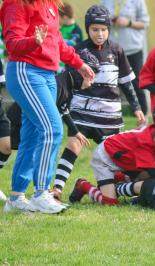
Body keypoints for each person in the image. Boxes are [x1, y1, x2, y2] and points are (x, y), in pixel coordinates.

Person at [0, 0, 95, 214]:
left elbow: (57, 42)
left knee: (32, 134)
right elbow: (12, 43)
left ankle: (16, 197)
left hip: (47, 75)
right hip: (26, 71)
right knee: (52, 129)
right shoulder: (16, 3)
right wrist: (33, 42)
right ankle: (41, 194)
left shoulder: (50, 4)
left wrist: (79, 64)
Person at [52, 5, 145, 200]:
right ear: (88, 29)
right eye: (95, 29)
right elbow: (69, 84)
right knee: (73, 146)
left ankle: (92, 187)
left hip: (109, 117)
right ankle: (57, 189)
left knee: (115, 158)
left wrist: (136, 107)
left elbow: (127, 83)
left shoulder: (117, 50)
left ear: (109, 30)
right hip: (82, 113)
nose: (99, 34)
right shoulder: (78, 51)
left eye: (103, 29)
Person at [68, 123, 155, 205]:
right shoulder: (145, 144)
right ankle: (83, 185)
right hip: (104, 160)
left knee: (142, 178)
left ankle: (115, 180)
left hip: (121, 161)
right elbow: (151, 172)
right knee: (110, 202)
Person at [101, 0, 150, 117]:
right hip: (113, 48)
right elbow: (100, 20)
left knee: (136, 81)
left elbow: (145, 24)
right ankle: (108, 113)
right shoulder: (105, 2)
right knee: (109, 80)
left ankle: (143, 113)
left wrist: (128, 23)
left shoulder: (138, 2)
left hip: (133, 48)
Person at [58, 2, 83, 72]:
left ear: (65, 17)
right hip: (57, 64)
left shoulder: (76, 30)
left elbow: (73, 45)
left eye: (58, 16)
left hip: (67, 67)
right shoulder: (61, 28)